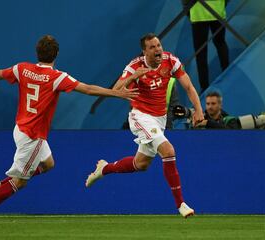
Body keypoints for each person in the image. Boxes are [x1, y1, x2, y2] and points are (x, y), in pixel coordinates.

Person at [0, 35, 138, 230]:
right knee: (20, 183)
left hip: (20, 128)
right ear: (56, 54)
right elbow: (88, 89)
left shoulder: (23, 68)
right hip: (33, 136)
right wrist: (116, 93)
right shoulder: (57, 77)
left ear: (37, 52)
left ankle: (1, 184)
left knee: (49, 164)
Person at [85, 33, 204, 218]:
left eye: (159, 45)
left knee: (140, 164)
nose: (158, 50)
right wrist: (133, 77)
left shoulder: (170, 61)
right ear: (144, 51)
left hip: (159, 119)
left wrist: (198, 110)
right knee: (168, 150)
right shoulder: (135, 66)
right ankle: (181, 204)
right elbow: (115, 90)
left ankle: (105, 169)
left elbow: (188, 87)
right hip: (140, 116)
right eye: (152, 47)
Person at [183, 0, 229, 93]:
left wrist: (187, 9)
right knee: (220, 43)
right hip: (217, 10)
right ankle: (228, 75)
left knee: (201, 52)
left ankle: (204, 87)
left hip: (198, 13)